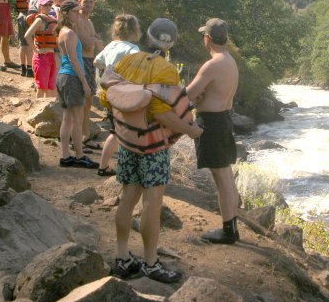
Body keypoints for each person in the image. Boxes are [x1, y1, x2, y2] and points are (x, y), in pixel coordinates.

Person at [101, 18, 202, 282]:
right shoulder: (166, 70)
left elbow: (106, 96)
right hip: (153, 146)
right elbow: (162, 114)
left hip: (126, 141)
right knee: (152, 203)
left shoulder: (125, 61)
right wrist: (191, 131)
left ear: (147, 36)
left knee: (127, 196)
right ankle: (150, 263)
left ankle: (122, 257)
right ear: (172, 42)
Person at [185, 18, 241, 244]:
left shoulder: (212, 64)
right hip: (224, 119)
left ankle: (229, 231)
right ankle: (232, 226)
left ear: (207, 38)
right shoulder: (229, 61)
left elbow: (189, 94)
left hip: (212, 122)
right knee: (226, 174)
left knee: (221, 177)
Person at [93, 14, 142, 177]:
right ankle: (125, 169)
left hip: (108, 93)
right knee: (124, 131)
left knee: (114, 131)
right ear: (135, 30)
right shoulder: (133, 49)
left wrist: (107, 68)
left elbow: (96, 61)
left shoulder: (111, 45)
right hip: (124, 93)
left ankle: (104, 166)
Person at [55, 0, 99, 170]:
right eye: (75, 11)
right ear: (66, 13)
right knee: (77, 119)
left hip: (63, 77)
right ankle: (79, 156)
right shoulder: (70, 34)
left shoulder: (62, 32)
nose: (78, 14)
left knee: (67, 119)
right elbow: (74, 60)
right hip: (72, 78)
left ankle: (65, 156)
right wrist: (85, 83)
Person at [76, 0, 104, 150]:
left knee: (88, 101)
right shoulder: (78, 20)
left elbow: (98, 44)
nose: (88, 4)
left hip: (89, 61)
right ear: (79, 2)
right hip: (81, 61)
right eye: (85, 1)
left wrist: (94, 41)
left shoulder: (89, 21)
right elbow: (88, 45)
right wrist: (94, 41)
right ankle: (78, 138)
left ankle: (85, 136)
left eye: (91, 2)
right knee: (81, 101)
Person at [24, 0, 58, 99]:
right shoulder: (40, 20)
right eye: (45, 5)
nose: (48, 7)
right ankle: (37, 112)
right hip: (42, 57)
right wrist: (36, 50)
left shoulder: (52, 18)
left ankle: (48, 112)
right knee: (41, 87)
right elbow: (27, 35)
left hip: (52, 56)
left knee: (50, 88)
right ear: (40, 7)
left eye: (50, 4)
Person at [9, 0, 34, 77]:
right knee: (29, 43)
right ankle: (29, 68)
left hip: (20, 15)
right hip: (28, 15)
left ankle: (23, 68)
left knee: (22, 43)